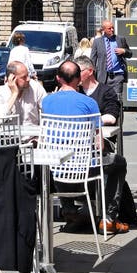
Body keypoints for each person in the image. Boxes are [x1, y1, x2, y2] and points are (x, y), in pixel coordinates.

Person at [42, 60, 129, 233]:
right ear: (78, 79)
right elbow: (99, 144)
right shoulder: (89, 103)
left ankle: (69, 210)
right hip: (84, 168)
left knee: (63, 161)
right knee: (119, 163)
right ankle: (108, 217)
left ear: (58, 78)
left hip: (56, 169)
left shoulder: (47, 102)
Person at [76, 55, 137, 227]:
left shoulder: (106, 92)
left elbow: (112, 117)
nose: (75, 75)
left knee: (112, 166)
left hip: (100, 144)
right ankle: (72, 211)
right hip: (76, 147)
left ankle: (109, 214)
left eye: (79, 71)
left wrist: (88, 119)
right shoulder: (75, 92)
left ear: (89, 71)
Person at [0, 60, 46, 126]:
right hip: (9, 135)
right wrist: (14, 94)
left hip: (33, 135)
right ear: (12, 78)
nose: (28, 79)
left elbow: (47, 110)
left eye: (28, 75)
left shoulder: (35, 87)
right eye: (24, 77)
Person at [90, 19, 132, 99]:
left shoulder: (120, 39)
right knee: (104, 100)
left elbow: (130, 54)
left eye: (113, 28)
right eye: (109, 28)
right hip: (103, 77)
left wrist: (124, 51)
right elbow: (92, 60)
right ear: (103, 30)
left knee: (117, 99)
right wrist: (92, 75)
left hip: (118, 76)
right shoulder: (97, 42)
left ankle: (118, 112)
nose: (112, 30)